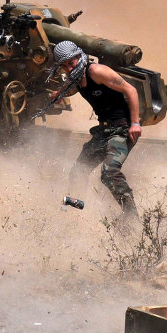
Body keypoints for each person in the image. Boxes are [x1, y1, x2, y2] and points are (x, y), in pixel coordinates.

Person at [50, 40, 141, 218]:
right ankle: (74, 212)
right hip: (104, 131)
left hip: (122, 130)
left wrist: (135, 124)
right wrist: (58, 94)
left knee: (109, 172)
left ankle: (131, 215)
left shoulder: (96, 71)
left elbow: (131, 91)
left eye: (71, 63)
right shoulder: (76, 77)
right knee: (79, 170)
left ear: (78, 57)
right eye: (64, 66)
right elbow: (69, 86)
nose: (69, 68)